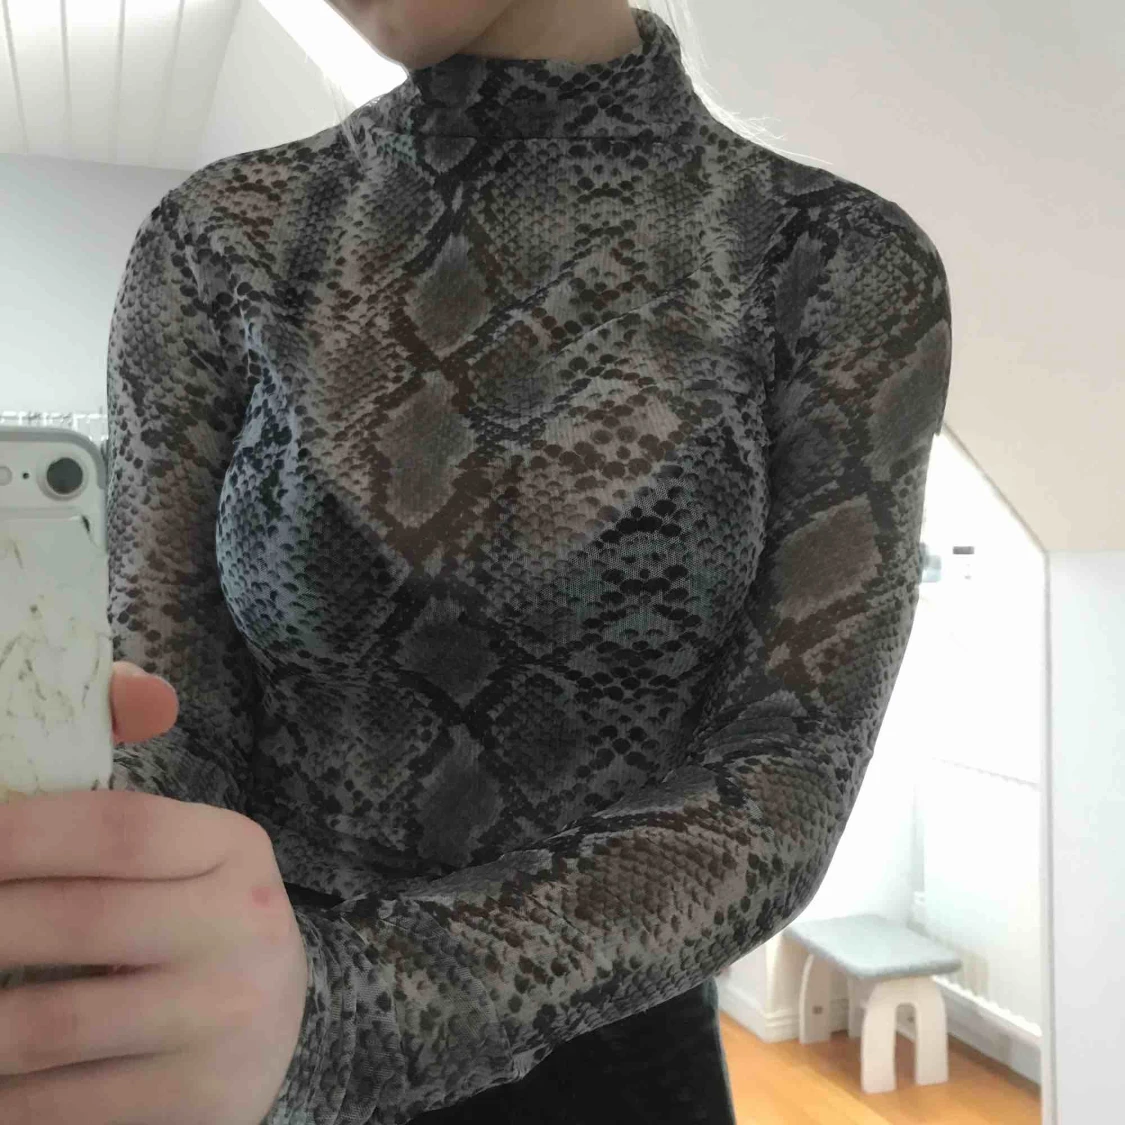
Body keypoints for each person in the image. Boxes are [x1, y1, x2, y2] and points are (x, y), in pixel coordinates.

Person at [100, 1, 952, 1121]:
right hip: (238, 1040)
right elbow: (163, 722)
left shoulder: (832, 258)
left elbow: (788, 770)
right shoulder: (217, 238)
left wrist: (338, 1010)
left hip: (598, 1064)